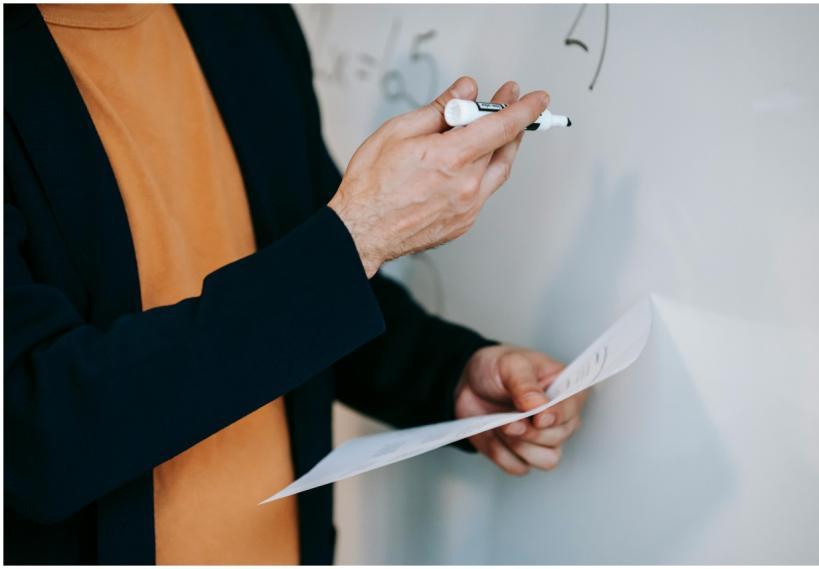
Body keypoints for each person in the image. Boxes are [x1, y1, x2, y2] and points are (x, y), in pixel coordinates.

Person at [4, 4, 588, 564]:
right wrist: (359, 237)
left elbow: (301, 290)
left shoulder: (245, 18)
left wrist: (449, 373)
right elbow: (34, 432)